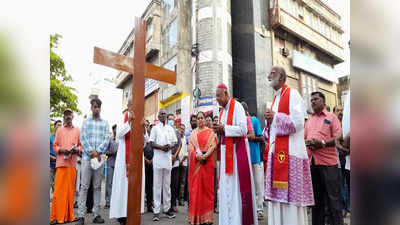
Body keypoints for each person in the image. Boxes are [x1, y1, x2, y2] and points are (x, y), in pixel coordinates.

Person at [264, 66, 314, 225]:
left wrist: (276, 117)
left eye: (272, 73)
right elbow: (271, 132)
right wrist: (269, 123)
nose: (268, 75)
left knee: (292, 200)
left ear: (282, 77)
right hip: (276, 154)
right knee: (278, 200)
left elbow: (299, 122)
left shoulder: (293, 94)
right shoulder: (274, 100)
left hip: (291, 154)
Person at [213, 83, 258, 225]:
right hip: (226, 154)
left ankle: (238, 220)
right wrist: (219, 131)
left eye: (219, 96)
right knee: (226, 189)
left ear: (226, 93)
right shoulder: (222, 112)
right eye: (216, 96)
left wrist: (224, 128)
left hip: (237, 154)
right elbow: (224, 133)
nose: (217, 99)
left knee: (237, 190)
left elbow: (243, 130)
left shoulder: (237, 106)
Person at [305, 91, 343, 225]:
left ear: (323, 101)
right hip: (313, 164)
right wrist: (308, 143)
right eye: (311, 100)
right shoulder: (309, 120)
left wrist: (321, 143)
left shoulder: (332, 117)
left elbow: (339, 138)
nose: (313, 102)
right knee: (316, 201)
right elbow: (304, 139)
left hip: (329, 164)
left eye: (316, 99)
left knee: (333, 200)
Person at [109, 100, 145, 225]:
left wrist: (144, 128)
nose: (133, 107)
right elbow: (118, 134)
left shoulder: (141, 119)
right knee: (123, 186)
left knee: (135, 185)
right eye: (131, 105)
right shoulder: (123, 118)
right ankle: (122, 215)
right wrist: (129, 121)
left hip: (137, 157)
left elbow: (145, 141)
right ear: (128, 106)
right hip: (124, 159)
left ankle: (133, 212)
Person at [77, 98, 110, 225]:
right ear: (91, 108)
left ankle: (96, 215)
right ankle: (81, 216)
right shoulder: (85, 122)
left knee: (97, 187)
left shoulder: (105, 123)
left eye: (98, 107)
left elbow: (107, 139)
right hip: (86, 158)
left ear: (100, 108)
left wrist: (98, 152)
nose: (96, 109)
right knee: (84, 187)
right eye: (94, 106)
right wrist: (92, 152)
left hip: (99, 160)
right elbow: (83, 138)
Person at [50, 109, 82, 225]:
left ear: (73, 116)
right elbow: (55, 146)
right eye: (66, 115)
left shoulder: (77, 130)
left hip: (72, 164)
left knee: (69, 192)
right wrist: (61, 150)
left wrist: (77, 150)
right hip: (61, 164)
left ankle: (68, 217)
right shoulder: (59, 130)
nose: (68, 116)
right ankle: (56, 217)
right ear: (64, 117)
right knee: (58, 192)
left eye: (69, 114)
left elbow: (80, 146)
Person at [188, 111, 218, 225]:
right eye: (198, 118)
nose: (200, 120)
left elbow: (213, 145)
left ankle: (207, 218)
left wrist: (205, 155)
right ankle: (196, 218)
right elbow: (191, 148)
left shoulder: (210, 132)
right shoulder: (193, 134)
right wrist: (197, 156)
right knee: (196, 191)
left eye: (202, 118)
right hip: (196, 165)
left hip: (207, 165)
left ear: (205, 119)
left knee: (207, 191)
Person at [150, 109, 178, 221]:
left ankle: (167, 209)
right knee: (157, 186)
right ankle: (156, 211)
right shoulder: (155, 128)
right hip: (157, 161)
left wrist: (169, 147)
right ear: (158, 116)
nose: (163, 115)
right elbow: (151, 143)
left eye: (164, 113)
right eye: (161, 113)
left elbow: (175, 142)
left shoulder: (170, 129)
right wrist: (162, 147)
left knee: (167, 186)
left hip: (167, 161)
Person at [241, 102, 265, 220]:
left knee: (257, 185)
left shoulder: (254, 120)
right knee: (247, 185)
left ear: (245, 111)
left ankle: (259, 209)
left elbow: (261, 137)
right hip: (243, 158)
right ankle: (249, 209)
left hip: (255, 157)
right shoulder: (239, 122)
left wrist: (250, 137)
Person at [167, 113, 182, 212]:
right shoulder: (165, 131)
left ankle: (173, 204)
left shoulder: (177, 132)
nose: (171, 121)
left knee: (174, 184)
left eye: (173, 119)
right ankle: (166, 205)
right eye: (170, 119)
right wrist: (169, 155)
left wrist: (175, 155)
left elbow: (179, 145)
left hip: (175, 161)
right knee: (166, 184)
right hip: (166, 160)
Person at [105, 125, 118, 209]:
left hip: (119, 165)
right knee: (109, 183)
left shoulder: (121, 140)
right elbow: (105, 151)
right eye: (115, 129)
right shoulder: (110, 139)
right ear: (113, 130)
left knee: (117, 184)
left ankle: (116, 201)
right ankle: (108, 202)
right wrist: (112, 153)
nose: (116, 130)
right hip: (110, 163)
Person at [144, 120, 154, 213]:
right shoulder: (141, 136)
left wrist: (152, 160)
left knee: (150, 186)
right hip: (143, 165)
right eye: (145, 125)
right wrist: (145, 160)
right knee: (144, 185)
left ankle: (150, 205)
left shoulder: (153, 137)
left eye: (148, 126)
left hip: (153, 165)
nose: (146, 127)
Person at [177, 124, 188, 206]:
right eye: (181, 129)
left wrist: (182, 160)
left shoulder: (186, 139)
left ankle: (181, 199)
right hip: (176, 162)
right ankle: (175, 199)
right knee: (176, 182)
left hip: (184, 163)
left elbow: (187, 152)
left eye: (183, 129)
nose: (182, 130)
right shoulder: (176, 138)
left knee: (182, 182)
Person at [50, 120, 62, 196]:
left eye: (61, 125)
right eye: (58, 125)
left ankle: (56, 202)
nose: (59, 127)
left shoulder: (63, 138)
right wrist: (51, 158)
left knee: (57, 185)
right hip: (50, 165)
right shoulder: (50, 138)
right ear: (54, 127)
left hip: (59, 165)